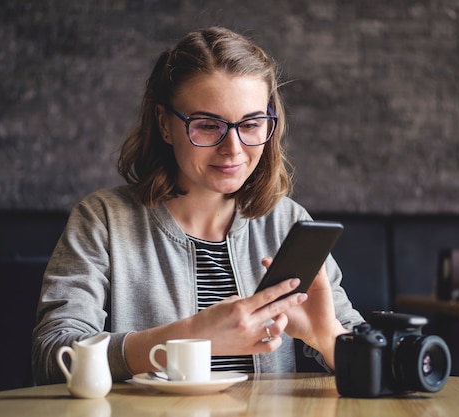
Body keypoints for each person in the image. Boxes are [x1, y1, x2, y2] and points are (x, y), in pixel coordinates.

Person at [32, 26, 364, 384]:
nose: (233, 148)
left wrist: (326, 336)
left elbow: (374, 365)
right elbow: (53, 355)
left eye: (251, 124)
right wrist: (190, 336)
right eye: (207, 125)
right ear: (164, 124)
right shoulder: (103, 219)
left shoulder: (288, 223)